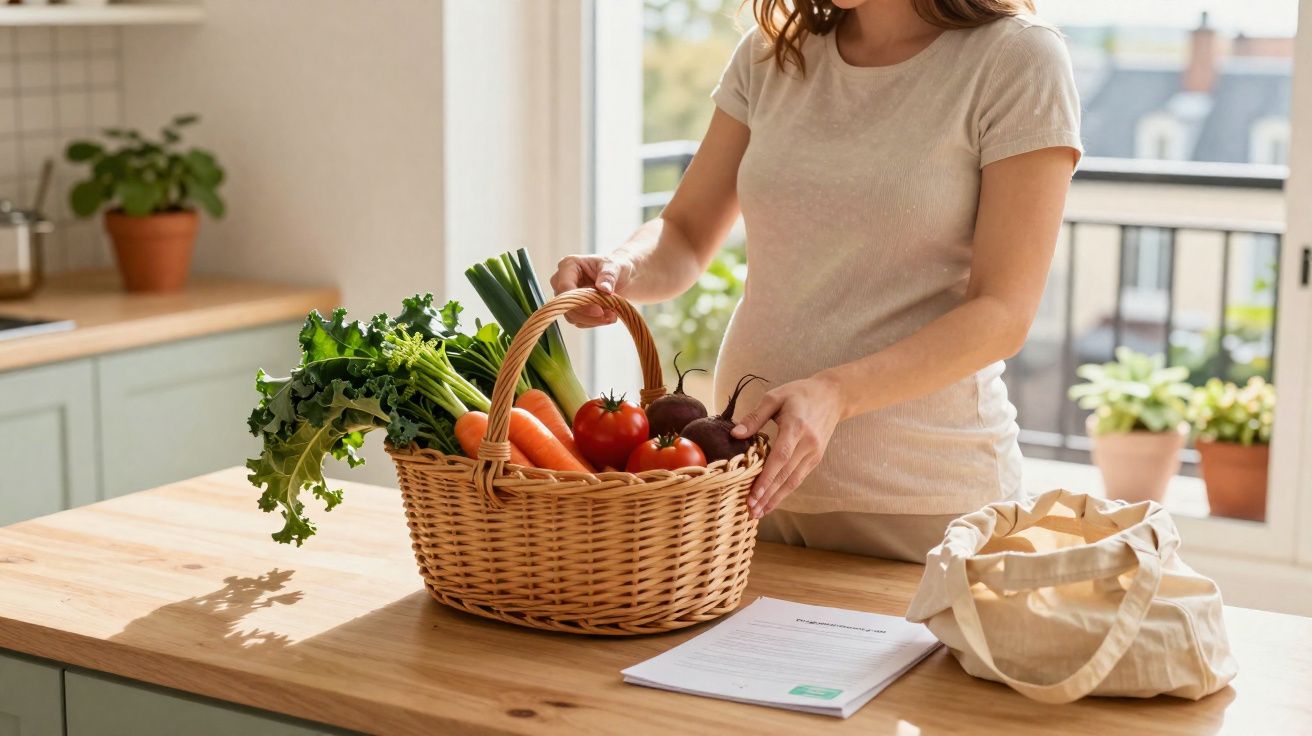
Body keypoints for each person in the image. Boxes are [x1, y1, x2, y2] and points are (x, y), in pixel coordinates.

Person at [550, 0, 1081, 562]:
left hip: (920, 510)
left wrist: (836, 393)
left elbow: (1003, 312)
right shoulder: (771, 54)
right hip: (746, 491)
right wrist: (623, 266)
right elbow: (684, 232)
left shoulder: (1017, 58)